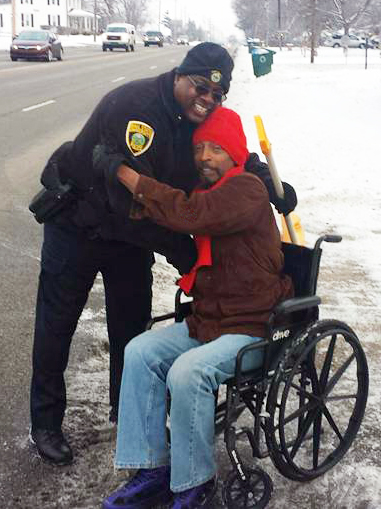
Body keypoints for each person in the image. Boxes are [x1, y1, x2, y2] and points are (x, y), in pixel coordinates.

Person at [29, 42, 296, 466]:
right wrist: (185, 253)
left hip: (132, 239)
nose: (206, 100)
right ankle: (44, 423)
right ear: (179, 76)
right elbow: (133, 204)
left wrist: (263, 179)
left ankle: (128, 410)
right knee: (57, 325)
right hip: (81, 224)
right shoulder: (135, 107)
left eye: (216, 95)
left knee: (130, 328)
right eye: (198, 87)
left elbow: (225, 152)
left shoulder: (194, 120)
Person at [101, 106, 294, 509]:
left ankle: (194, 482)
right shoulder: (210, 189)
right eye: (200, 147)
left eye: (216, 149)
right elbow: (182, 206)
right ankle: (152, 468)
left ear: (235, 153)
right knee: (139, 351)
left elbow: (191, 213)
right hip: (210, 318)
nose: (205, 156)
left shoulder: (246, 189)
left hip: (252, 323)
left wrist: (127, 175)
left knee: (189, 372)